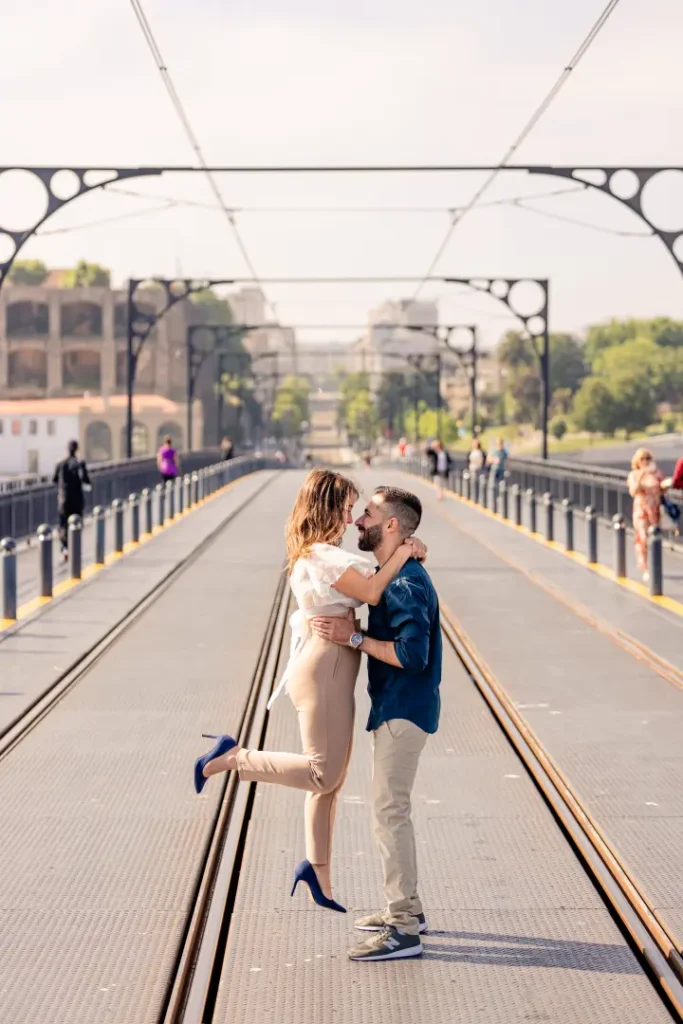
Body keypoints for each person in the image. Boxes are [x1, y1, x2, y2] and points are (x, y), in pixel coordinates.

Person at [193, 469, 426, 912]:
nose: (351, 517)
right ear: (327, 507)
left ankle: (318, 874)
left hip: (327, 666)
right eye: (346, 507)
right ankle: (231, 757)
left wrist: (409, 550)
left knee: (328, 784)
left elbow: (367, 582)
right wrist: (407, 552)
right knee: (323, 773)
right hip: (326, 668)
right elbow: (375, 591)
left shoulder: (320, 555)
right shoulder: (322, 557)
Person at [312, 486, 441, 962]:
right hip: (398, 707)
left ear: (392, 526)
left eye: (367, 514)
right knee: (390, 812)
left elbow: (412, 654)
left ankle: (404, 928)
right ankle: (410, 911)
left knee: (390, 814)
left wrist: (355, 637)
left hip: (403, 710)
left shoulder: (406, 584)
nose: (357, 521)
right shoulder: (394, 574)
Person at [627, 447, 664, 581]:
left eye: (648, 458)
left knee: (654, 537)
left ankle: (655, 565)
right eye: (642, 459)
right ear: (637, 461)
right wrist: (642, 474)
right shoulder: (634, 475)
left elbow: (661, 489)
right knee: (642, 538)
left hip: (654, 508)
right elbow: (633, 491)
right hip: (641, 510)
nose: (645, 461)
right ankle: (645, 567)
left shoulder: (657, 473)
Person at [52, 440, 91, 561]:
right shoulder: (80, 463)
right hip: (77, 499)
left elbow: (54, 479)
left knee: (63, 525)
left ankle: (65, 548)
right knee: (77, 524)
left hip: (63, 499)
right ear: (77, 449)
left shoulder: (60, 464)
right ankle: (75, 548)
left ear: (67, 449)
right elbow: (86, 480)